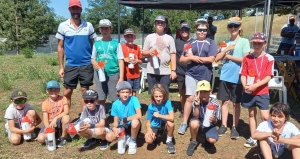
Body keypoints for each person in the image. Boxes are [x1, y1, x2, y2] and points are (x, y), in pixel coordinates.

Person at [178, 20, 218, 135]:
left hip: (205, 75)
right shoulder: (189, 44)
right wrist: (192, 58)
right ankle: (184, 122)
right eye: (199, 29)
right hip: (191, 74)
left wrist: (195, 57)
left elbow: (212, 59)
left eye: (204, 30)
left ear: (207, 31)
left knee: (204, 98)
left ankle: (203, 120)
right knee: (190, 98)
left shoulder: (211, 42)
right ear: (195, 30)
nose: (202, 32)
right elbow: (182, 59)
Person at [56, 0, 97, 111]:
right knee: (67, 92)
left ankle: (84, 117)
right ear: (69, 10)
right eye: (73, 8)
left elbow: (95, 45)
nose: (75, 10)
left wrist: (96, 61)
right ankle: (65, 117)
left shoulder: (88, 26)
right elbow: (60, 47)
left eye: (77, 8)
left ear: (81, 9)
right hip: (71, 64)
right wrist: (61, 66)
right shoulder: (63, 26)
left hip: (86, 64)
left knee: (85, 91)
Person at [215, 17, 250, 139]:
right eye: (231, 26)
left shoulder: (245, 42)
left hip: (238, 77)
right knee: (224, 102)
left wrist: (229, 57)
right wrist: (227, 50)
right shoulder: (225, 42)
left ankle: (234, 127)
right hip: (225, 76)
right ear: (228, 28)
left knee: (236, 103)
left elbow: (246, 60)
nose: (233, 28)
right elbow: (217, 58)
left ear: (240, 27)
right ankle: (224, 125)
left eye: (235, 26)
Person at [240, 32, 274, 148]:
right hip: (249, 91)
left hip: (262, 92)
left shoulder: (269, 58)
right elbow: (243, 74)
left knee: (265, 116)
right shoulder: (247, 58)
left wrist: (256, 85)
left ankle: (266, 135)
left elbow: (269, 76)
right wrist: (245, 85)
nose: (257, 45)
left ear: (265, 43)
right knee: (251, 113)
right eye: (254, 43)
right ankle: (253, 136)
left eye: (259, 43)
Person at [91, 19, 124, 106]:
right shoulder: (96, 44)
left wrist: (121, 77)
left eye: (106, 28)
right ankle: (102, 117)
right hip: (99, 74)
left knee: (115, 98)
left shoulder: (116, 44)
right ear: (99, 30)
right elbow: (93, 58)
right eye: (102, 29)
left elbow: (120, 61)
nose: (104, 31)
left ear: (111, 29)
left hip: (113, 74)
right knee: (100, 97)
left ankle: (116, 118)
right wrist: (95, 64)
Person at [142, 15, 177, 94]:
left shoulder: (170, 38)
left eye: (162, 23)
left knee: (164, 93)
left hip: (165, 71)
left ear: (165, 25)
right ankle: (154, 107)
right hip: (152, 71)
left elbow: (173, 55)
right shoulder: (149, 37)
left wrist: (173, 70)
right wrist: (149, 53)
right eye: (158, 23)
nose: (160, 24)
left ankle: (164, 107)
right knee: (153, 94)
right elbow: (144, 52)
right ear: (154, 25)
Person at [186, 80, 221, 156]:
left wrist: (214, 120)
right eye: (200, 92)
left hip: (209, 124)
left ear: (210, 91)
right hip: (198, 120)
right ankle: (193, 141)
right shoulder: (196, 100)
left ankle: (207, 141)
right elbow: (195, 116)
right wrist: (197, 105)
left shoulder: (215, 103)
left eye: (205, 91)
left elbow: (216, 121)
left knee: (212, 140)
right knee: (193, 123)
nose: (203, 94)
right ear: (197, 93)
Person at [106, 81, 142, 155]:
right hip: (122, 126)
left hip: (133, 125)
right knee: (109, 137)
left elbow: (139, 115)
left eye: (127, 92)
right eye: (122, 92)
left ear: (130, 93)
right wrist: (114, 128)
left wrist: (126, 119)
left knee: (135, 121)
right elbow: (115, 121)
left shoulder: (134, 99)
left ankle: (132, 141)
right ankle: (126, 137)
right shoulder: (115, 104)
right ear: (118, 93)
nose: (125, 94)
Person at [37, 80, 71, 147]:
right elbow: (45, 119)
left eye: (55, 89)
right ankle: (53, 135)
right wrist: (48, 128)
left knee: (66, 117)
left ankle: (63, 138)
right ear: (47, 91)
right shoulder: (44, 103)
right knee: (41, 139)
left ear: (59, 90)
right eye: (51, 90)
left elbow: (66, 111)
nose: (53, 92)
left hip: (60, 120)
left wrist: (55, 118)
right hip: (50, 123)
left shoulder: (63, 99)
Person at [144, 84, 176, 154]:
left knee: (171, 123)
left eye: (160, 96)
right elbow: (148, 122)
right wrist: (149, 130)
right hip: (155, 126)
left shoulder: (167, 102)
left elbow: (172, 117)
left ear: (164, 96)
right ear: (153, 96)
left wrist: (159, 115)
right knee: (148, 140)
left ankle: (169, 141)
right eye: (156, 96)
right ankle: (156, 138)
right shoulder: (151, 107)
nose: (158, 99)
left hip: (165, 125)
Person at [174, 22, 193, 118]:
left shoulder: (194, 42)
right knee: (183, 92)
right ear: (180, 31)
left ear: (189, 31)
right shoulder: (176, 42)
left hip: (192, 72)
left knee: (192, 93)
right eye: (182, 30)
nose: (184, 31)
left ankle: (193, 110)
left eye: (186, 29)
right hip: (180, 72)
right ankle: (183, 110)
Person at [121, 28, 143, 96]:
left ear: (134, 37)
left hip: (136, 74)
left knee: (134, 92)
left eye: (131, 36)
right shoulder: (121, 47)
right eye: (128, 36)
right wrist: (125, 59)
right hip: (127, 75)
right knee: (127, 92)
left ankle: (134, 105)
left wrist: (137, 61)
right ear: (124, 37)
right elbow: (118, 59)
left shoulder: (137, 47)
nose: (130, 38)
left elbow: (141, 61)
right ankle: (128, 105)